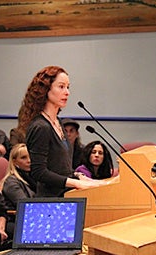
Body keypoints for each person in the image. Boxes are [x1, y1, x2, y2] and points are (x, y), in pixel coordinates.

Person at [16, 66, 102, 196]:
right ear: (45, 89)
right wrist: (76, 183)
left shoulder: (58, 122)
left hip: (67, 196)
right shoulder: (41, 126)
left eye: (68, 87)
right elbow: (39, 172)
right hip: (51, 202)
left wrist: (78, 176)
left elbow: (59, 168)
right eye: (61, 87)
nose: (67, 92)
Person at [1, 144, 36, 210]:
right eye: (23, 158)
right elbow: (25, 207)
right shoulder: (11, 182)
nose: (29, 161)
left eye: (30, 157)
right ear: (14, 162)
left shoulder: (35, 177)